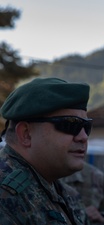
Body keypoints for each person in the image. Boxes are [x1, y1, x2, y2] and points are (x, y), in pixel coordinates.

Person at [0, 77, 91, 224]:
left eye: (86, 127)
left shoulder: (51, 185)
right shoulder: (6, 195)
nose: (83, 137)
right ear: (26, 134)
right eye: (70, 125)